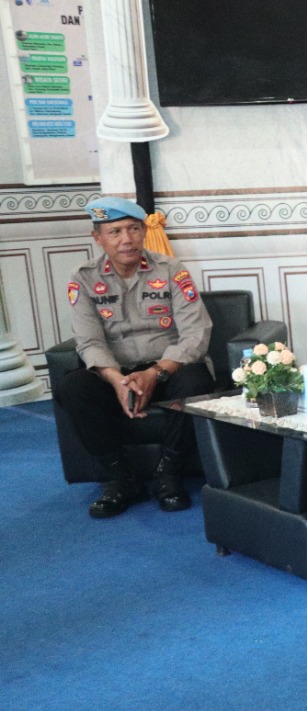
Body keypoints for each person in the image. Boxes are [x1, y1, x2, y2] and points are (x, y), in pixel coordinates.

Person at [56, 196, 214, 517]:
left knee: (197, 380)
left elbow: (195, 334)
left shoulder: (171, 270)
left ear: (143, 232)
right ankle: (120, 478)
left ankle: (169, 473)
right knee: (73, 386)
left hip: (167, 368)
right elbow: (88, 341)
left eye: (133, 229)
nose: (126, 239)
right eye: (115, 232)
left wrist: (155, 373)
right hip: (115, 373)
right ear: (98, 238)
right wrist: (117, 381)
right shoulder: (83, 277)